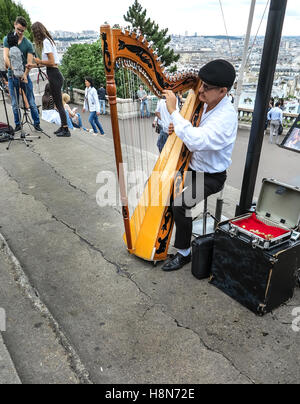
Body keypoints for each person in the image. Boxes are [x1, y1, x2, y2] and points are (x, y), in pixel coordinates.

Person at [162, 59, 237, 272]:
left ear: (223, 91)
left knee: (180, 203)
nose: (200, 89)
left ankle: (184, 252)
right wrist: (177, 128)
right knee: (164, 187)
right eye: (201, 84)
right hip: (192, 167)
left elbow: (196, 140)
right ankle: (167, 236)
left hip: (211, 176)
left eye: (206, 87)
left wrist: (175, 113)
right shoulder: (204, 103)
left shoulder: (226, 117)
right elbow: (191, 132)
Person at [27, 21, 71, 137]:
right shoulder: (48, 41)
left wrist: (39, 61)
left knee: (59, 103)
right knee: (57, 102)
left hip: (54, 74)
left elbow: (51, 62)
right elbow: (48, 63)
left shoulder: (46, 42)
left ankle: (66, 129)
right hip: (54, 73)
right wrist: (33, 65)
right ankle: (63, 126)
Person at [3, 16, 42, 132]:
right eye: (18, 29)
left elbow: (29, 63)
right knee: (14, 103)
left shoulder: (28, 44)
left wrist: (24, 75)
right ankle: (18, 124)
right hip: (11, 76)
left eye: (22, 31)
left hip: (25, 76)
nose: (20, 32)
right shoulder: (7, 39)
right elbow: (5, 56)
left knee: (31, 102)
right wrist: (12, 68)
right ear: (15, 24)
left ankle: (37, 123)